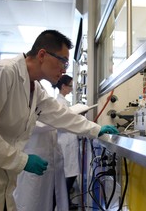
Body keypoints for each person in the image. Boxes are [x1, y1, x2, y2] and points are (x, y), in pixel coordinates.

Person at [0, 30, 119, 211]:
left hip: (3, 180)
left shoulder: (35, 88)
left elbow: (60, 114)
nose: (65, 69)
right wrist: (21, 160)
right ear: (42, 54)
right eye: (63, 61)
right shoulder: (3, 72)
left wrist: (96, 129)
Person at [52, 75, 81, 210]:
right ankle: (59, 203)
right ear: (63, 86)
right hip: (64, 142)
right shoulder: (59, 103)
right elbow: (62, 123)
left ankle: (65, 202)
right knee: (67, 176)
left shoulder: (64, 102)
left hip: (68, 141)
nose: (71, 88)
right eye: (70, 85)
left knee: (70, 174)